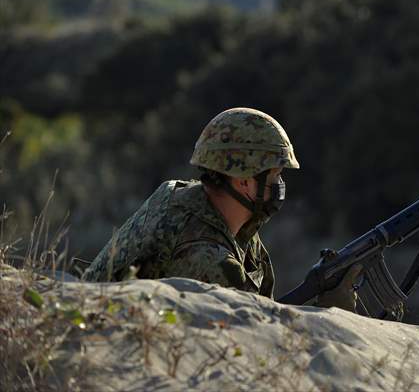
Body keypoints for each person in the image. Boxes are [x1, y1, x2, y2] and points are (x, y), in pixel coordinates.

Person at [82, 107, 361, 311]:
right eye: (275, 176)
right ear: (243, 181)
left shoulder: (191, 201)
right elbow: (254, 339)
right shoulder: (208, 259)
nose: (280, 184)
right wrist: (327, 311)